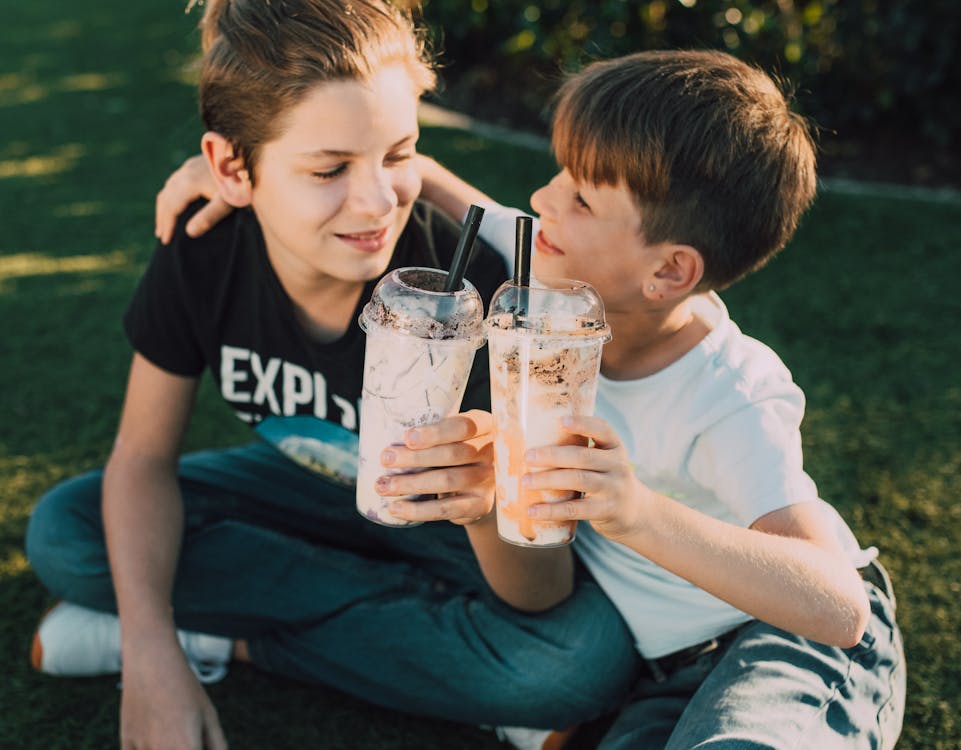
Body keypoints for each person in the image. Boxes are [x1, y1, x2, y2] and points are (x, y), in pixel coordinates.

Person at [152, 49, 906, 749]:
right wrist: (243, 171)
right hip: (650, 665)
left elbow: (834, 606)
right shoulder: (553, 270)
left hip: (773, 640)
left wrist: (632, 510)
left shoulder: (729, 393)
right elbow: (436, 189)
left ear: (669, 272)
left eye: (577, 196)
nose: (542, 198)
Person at [23, 2, 636, 749]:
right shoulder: (207, 248)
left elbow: (539, 590)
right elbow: (142, 459)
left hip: (440, 529)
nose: (377, 201)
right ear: (227, 169)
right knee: (68, 530)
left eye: (397, 153)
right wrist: (151, 655)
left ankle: (226, 640)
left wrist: (480, 506)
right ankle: (422, 647)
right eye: (327, 169)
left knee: (577, 663)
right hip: (307, 486)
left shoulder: (467, 290)